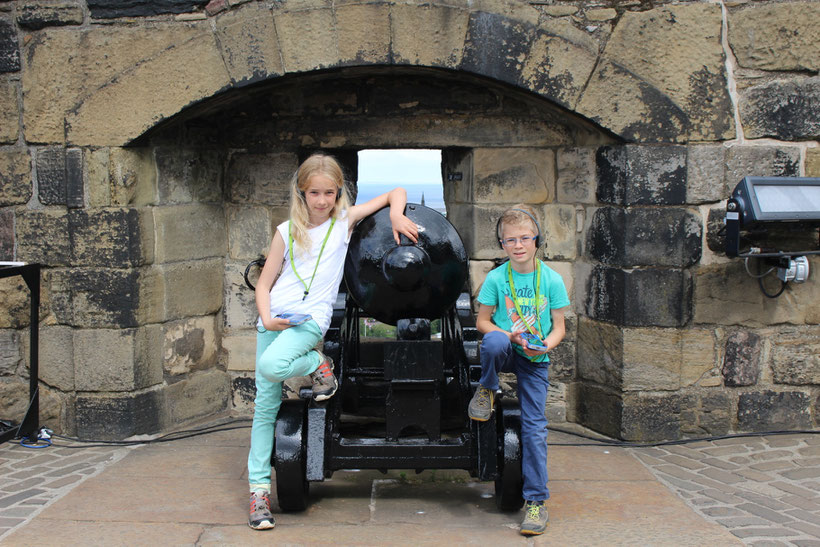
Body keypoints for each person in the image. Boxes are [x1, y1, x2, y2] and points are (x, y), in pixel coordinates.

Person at [247, 153, 418, 530]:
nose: (321, 200)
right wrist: (266, 318)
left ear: (338, 192)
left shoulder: (344, 222)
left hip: (310, 322)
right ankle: (258, 492)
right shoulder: (286, 230)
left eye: (328, 192)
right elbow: (264, 283)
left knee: (271, 367)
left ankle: (318, 366)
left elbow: (397, 191)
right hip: (274, 320)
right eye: (314, 193)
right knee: (264, 407)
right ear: (301, 192)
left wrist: (395, 214)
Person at [467, 204, 570, 536]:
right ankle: (487, 387)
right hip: (507, 348)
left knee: (535, 428)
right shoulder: (497, 278)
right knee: (493, 343)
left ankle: (536, 502)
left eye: (525, 238)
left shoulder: (551, 280)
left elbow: (559, 327)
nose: (519, 245)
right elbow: (482, 321)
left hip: (535, 358)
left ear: (536, 239)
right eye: (510, 240)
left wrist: (546, 346)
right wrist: (505, 333)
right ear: (502, 244)